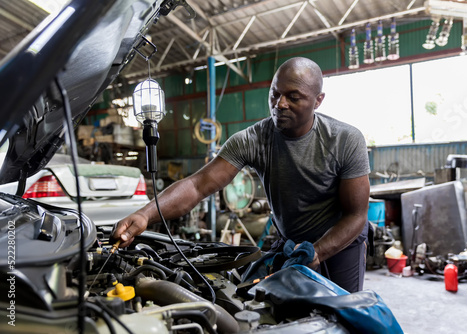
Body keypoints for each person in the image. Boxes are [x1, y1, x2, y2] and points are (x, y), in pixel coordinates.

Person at [112, 57, 371, 293]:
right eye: (275, 94)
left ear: (318, 100)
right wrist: (145, 214)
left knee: (343, 312)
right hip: (291, 242)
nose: (280, 104)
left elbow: (356, 214)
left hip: (341, 243)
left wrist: (318, 252)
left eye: (293, 97)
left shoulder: (345, 140)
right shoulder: (252, 140)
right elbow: (198, 186)